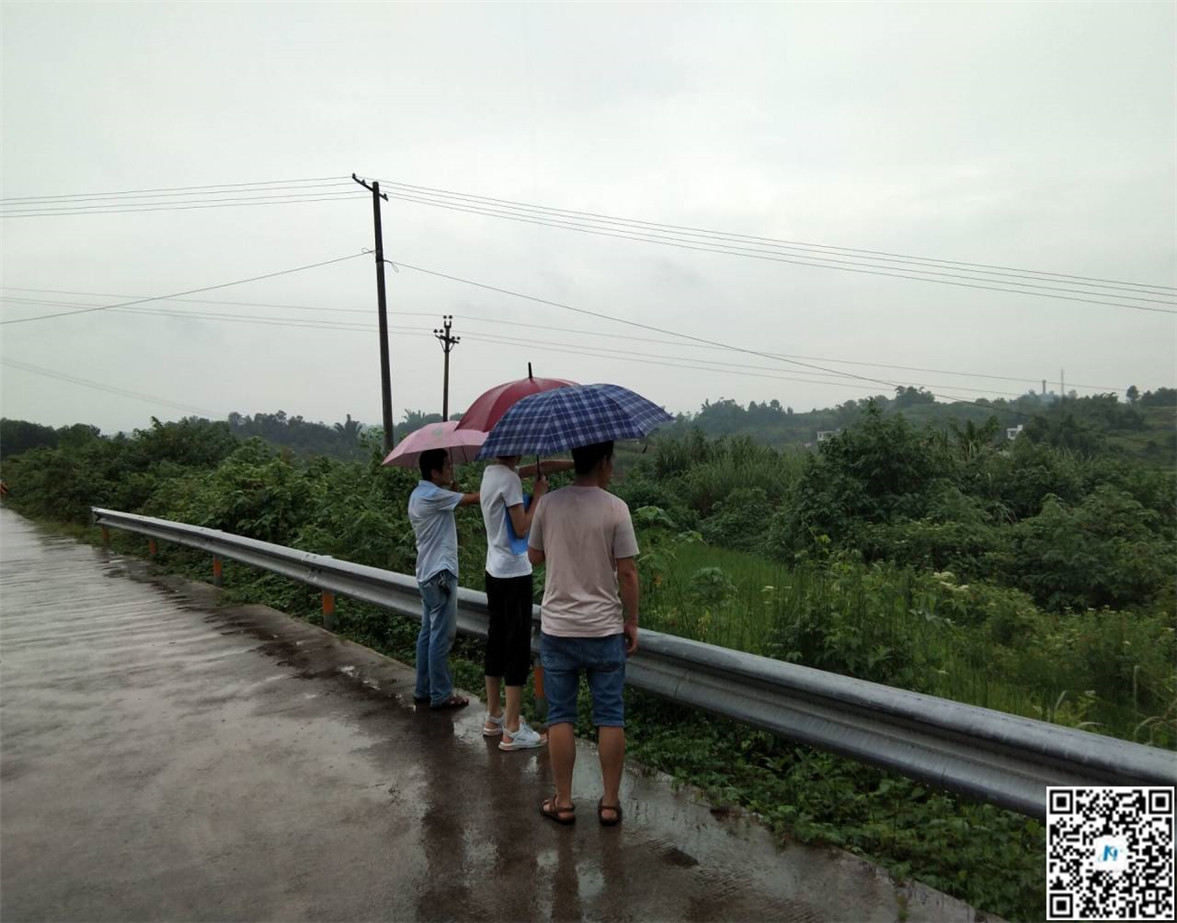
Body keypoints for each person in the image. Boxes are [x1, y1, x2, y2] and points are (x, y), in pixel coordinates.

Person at [527, 441, 639, 826]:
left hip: (558, 629)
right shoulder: (616, 508)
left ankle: (563, 802)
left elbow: (533, 556)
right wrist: (631, 621)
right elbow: (627, 573)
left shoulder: (548, 504)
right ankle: (609, 804)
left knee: (561, 716)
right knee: (610, 715)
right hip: (604, 630)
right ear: (604, 461)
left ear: (574, 460)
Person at [479, 455, 573, 751]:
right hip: (514, 573)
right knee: (517, 646)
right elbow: (521, 528)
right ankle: (512, 729)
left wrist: (575, 462)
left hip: (494, 570)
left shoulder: (492, 473)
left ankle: (494, 716)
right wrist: (540, 495)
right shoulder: (509, 479)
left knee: (496, 639)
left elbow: (540, 467)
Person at [408, 448, 480, 710]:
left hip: (427, 574)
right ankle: (441, 694)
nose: (451, 469)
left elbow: (449, 507)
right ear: (434, 472)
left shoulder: (418, 494)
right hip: (441, 574)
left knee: (428, 634)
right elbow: (475, 499)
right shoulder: (434, 495)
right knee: (441, 637)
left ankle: (423, 689)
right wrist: (499, 487)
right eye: (447, 466)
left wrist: (452, 493)